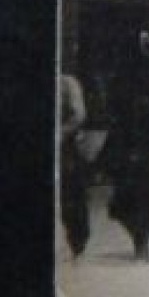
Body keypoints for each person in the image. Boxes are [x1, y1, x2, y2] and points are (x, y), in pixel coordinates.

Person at [59, 73, 91, 256]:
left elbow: (79, 115)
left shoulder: (67, 83)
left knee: (71, 194)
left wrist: (61, 134)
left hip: (65, 146)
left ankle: (77, 241)